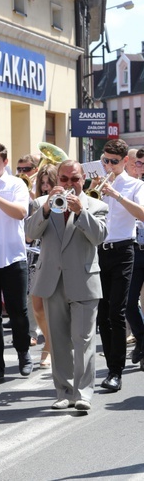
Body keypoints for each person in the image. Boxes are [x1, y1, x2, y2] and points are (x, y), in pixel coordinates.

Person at [25, 160, 108, 411]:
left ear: (84, 179)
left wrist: (82, 212)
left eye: (75, 179)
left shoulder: (97, 205)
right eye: (64, 179)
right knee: (58, 340)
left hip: (83, 280)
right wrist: (47, 208)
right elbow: (29, 233)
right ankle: (64, 392)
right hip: (52, 280)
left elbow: (99, 237)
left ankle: (83, 393)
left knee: (83, 340)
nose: (69, 184)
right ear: (56, 179)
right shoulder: (41, 204)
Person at [0, 141, 33, 385]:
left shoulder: (16, 183)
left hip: (13, 256)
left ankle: (23, 352)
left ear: (5, 162)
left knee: (18, 311)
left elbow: (21, 213)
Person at [94, 139, 144, 391]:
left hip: (124, 250)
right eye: (105, 160)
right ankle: (111, 365)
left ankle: (116, 372)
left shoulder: (135, 185)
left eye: (113, 162)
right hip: (98, 251)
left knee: (117, 311)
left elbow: (142, 214)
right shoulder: (97, 181)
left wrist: (117, 195)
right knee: (102, 313)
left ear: (125, 161)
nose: (108, 165)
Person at [28, 164, 58, 369]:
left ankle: (50, 347)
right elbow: (29, 234)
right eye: (43, 183)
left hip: (57, 256)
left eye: (50, 183)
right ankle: (51, 342)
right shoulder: (37, 202)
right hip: (37, 256)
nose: (46, 187)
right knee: (36, 304)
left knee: (56, 306)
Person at [126, 148, 144, 369]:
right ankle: (141, 338)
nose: (140, 168)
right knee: (128, 303)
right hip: (134, 249)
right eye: (137, 163)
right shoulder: (126, 186)